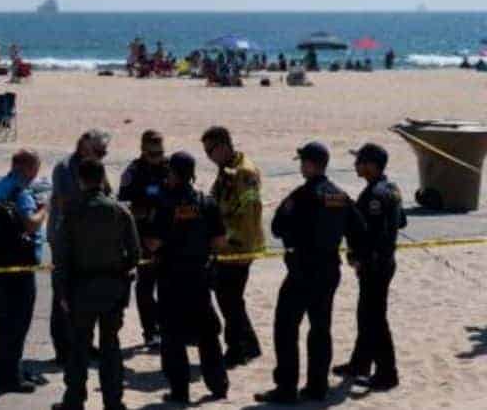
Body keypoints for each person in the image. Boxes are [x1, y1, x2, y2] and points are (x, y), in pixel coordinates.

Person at [255, 142, 367, 404]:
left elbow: (278, 226)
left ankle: (286, 386)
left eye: (303, 162)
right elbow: (358, 229)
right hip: (329, 268)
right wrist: (354, 255)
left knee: (285, 327)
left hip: (302, 269)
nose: (301, 167)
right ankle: (317, 385)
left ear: (310, 164)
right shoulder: (340, 195)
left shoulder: (303, 195)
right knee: (320, 327)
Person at [53, 160, 140, 410]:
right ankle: (113, 401)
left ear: (81, 180)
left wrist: (62, 292)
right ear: (102, 178)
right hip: (112, 288)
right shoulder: (119, 211)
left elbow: (62, 257)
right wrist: (120, 272)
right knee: (110, 346)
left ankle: (74, 401)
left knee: (79, 347)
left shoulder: (71, 211)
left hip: (81, 288)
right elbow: (134, 253)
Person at [146, 152, 229, 404]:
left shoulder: (165, 204)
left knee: (172, 337)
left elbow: (153, 243)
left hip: (172, 278)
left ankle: (180, 391)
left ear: (174, 173)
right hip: (199, 277)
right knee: (207, 334)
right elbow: (219, 242)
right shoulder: (206, 202)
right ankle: (218, 385)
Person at [333, 143, 405, 391]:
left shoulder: (374, 195)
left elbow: (372, 234)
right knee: (366, 316)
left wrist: (359, 257)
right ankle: (360, 363)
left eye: (361, 161)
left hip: (375, 265)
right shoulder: (391, 189)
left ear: (372, 165)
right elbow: (401, 222)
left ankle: (387, 373)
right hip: (384, 262)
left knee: (374, 319)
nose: (356, 165)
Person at [0, 150, 48, 393]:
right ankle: (9, 376)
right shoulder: (20, 192)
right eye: (35, 169)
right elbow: (30, 224)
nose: (36, 174)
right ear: (26, 168)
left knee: (4, 320)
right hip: (16, 269)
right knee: (17, 323)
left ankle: (7, 369)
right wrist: (43, 211)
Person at [201, 126, 264, 367]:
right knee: (229, 297)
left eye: (211, 150)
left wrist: (234, 243)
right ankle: (248, 343)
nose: (208, 156)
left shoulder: (243, 172)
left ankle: (237, 349)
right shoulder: (227, 169)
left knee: (229, 298)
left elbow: (250, 212)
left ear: (224, 145)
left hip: (239, 245)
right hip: (228, 244)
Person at [49, 130, 112, 364]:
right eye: (98, 151)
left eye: (103, 152)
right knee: (63, 293)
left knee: (87, 292)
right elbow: (67, 203)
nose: (101, 156)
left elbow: (107, 194)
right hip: (66, 239)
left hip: (89, 239)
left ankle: (84, 343)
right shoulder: (65, 168)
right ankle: (63, 349)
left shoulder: (96, 167)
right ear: (84, 145)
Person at [117, 130, 168, 348]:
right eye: (153, 153)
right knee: (146, 286)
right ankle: (150, 331)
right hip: (143, 237)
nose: (158, 157)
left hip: (168, 236)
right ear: (143, 151)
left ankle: (170, 326)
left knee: (169, 285)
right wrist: (146, 213)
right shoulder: (133, 172)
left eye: (160, 152)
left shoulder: (170, 167)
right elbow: (124, 208)